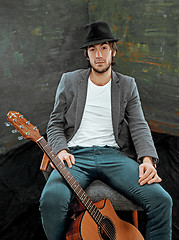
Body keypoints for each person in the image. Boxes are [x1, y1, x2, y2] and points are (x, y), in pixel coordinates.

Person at [39, 21, 172, 240]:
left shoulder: (127, 85)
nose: (99, 54)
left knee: (162, 200)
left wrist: (147, 160)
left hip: (114, 156)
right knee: (51, 199)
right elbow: (55, 123)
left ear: (113, 51)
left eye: (104, 48)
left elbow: (139, 124)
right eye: (93, 49)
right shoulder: (70, 81)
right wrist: (60, 150)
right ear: (87, 54)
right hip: (75, 156)